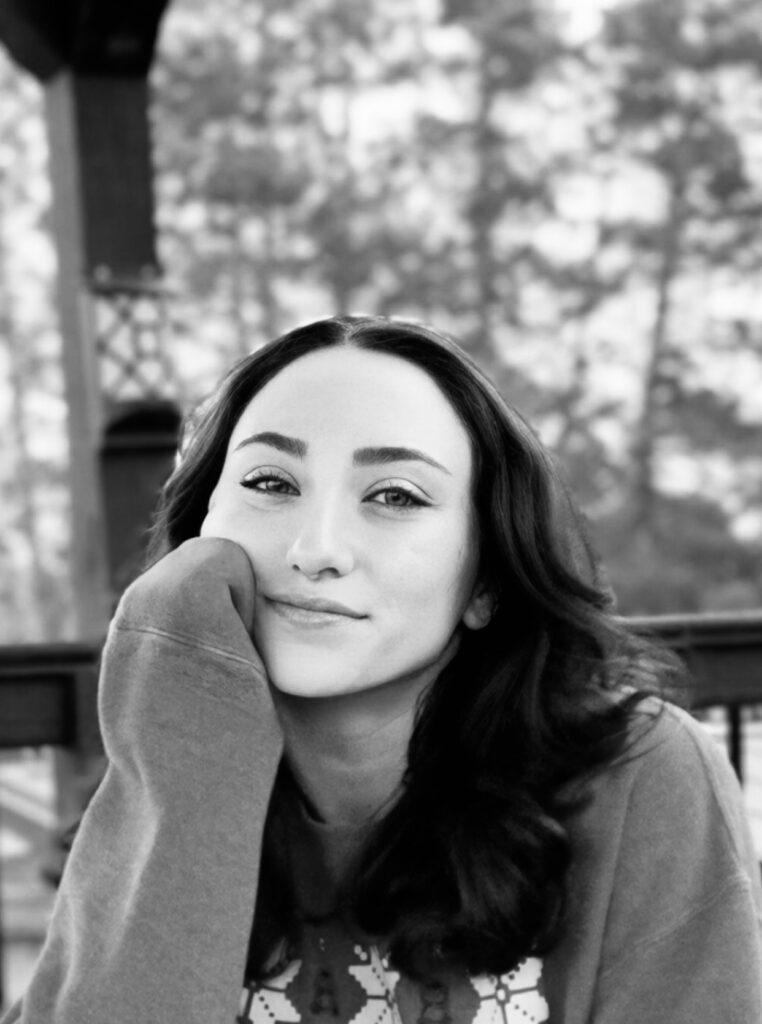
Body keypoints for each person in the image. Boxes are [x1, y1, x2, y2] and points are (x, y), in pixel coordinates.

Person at [4, 315, 761, 1024]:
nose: (316, 547)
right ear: (201, 532)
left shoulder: (640, 780)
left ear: (487, 581)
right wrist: (184, 727)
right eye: (271, 483)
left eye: (395, 496)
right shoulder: (155, 788)